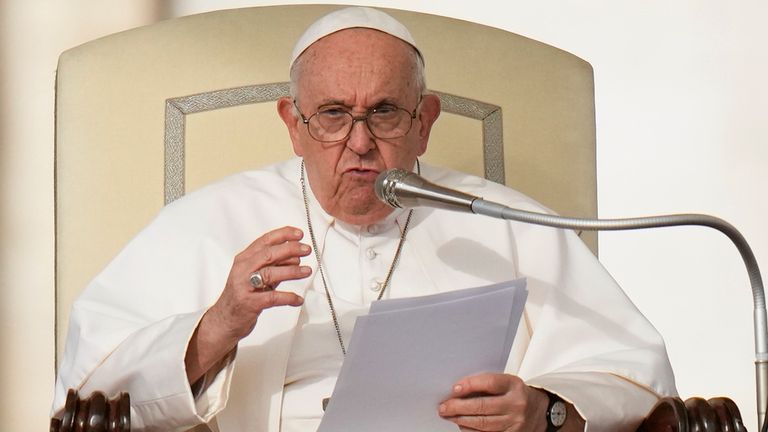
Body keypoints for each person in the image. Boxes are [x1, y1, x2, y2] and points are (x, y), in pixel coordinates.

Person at [52, 6, 676, 432]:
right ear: (292, 125)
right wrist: (217, 326)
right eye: (330, 114)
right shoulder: (208, 220)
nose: (358, 143)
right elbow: (90, 389)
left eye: (383, 112)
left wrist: (545, 411)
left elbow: (630, 370)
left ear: (425, 121)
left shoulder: (506, 223)